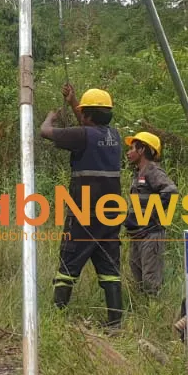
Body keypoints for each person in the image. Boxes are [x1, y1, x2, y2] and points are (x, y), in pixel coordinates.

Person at [41, 86, 124, 327]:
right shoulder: (114, 137)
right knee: (109, 269)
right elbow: (89, 131)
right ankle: (115, 325)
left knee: (68, 265)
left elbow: (45, 132)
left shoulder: (82, 135)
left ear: (87, 115)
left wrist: (51, 117)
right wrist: (74, 101)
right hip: (110, 215)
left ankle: (57, 320)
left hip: (83, 213)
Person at [124, 131, 178, 296]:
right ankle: (143, 312)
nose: (128, 152)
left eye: (132, 148)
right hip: (138, 234)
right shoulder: (138, 173)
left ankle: (154, 312)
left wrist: (151, 214)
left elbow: (171, 191)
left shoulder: (152, 171)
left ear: (142, 150)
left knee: (150, 278)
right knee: (137, 273)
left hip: (151, 233)